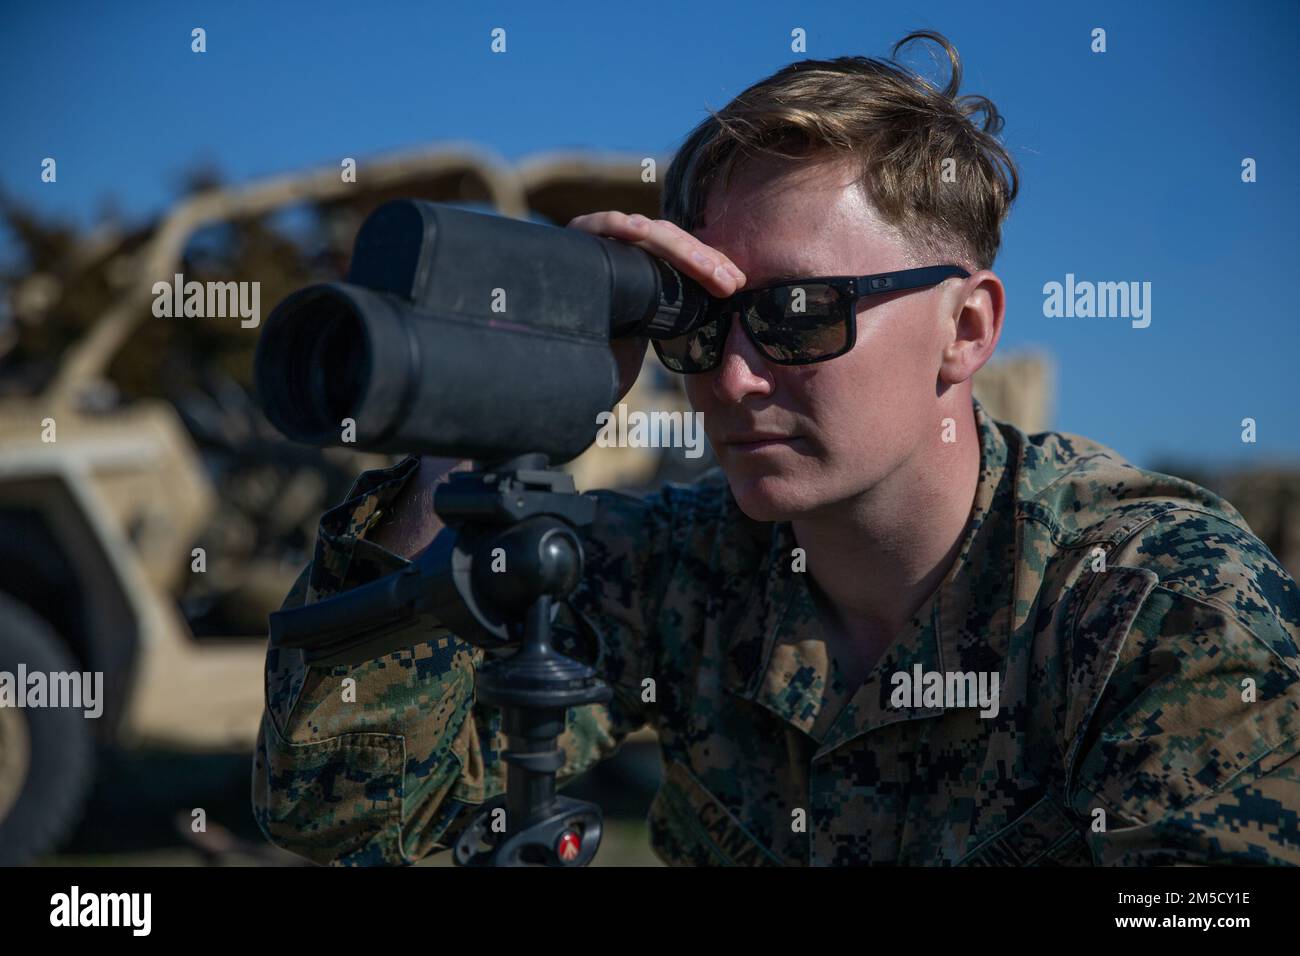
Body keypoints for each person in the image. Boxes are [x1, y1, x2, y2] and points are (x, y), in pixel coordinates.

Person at [251, 31, 1300, 866]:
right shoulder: (679, 567)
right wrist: (485, 423)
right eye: (698, 322)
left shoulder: (1153, 601)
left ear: (966, 329)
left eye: (798, 313)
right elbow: (345, 809)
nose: (733, 374)